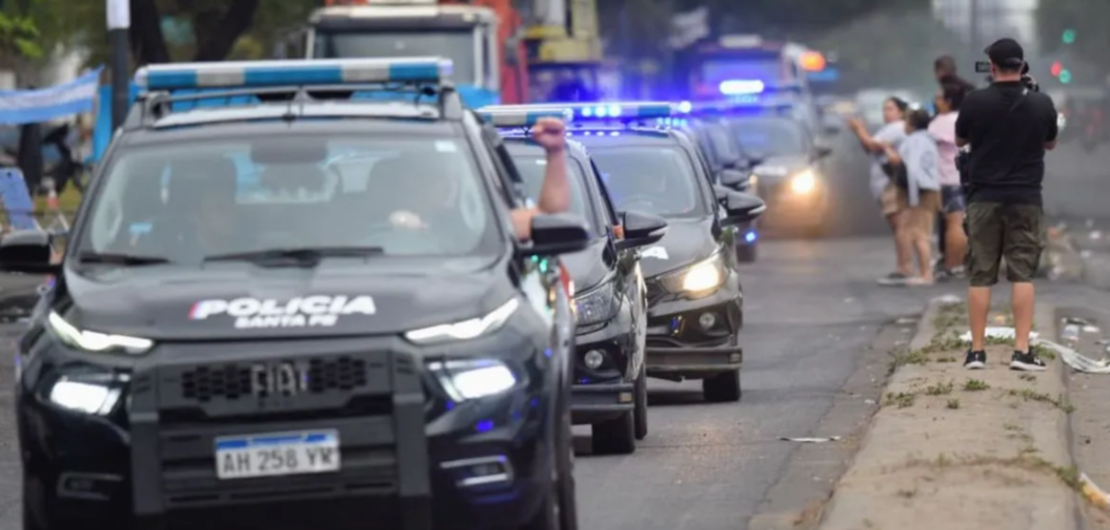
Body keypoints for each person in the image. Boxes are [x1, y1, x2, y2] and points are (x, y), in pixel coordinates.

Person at [955, 38, 1058, 372]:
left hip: (984, 197)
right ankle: (1022, 351)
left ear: (993, 66)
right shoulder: (1041, 102)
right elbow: (1050, 142)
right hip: (1026, 198)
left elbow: (960, 140)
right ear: (1022, 65)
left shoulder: (975, 102)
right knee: (1022, 274)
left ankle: (977, 352)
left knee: (980, 275)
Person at [847, 97, 913, 284]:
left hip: (891, 184)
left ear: (900, 112)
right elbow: (870, 149)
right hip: (883, 184)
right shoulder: (888, 129)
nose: (886, 113)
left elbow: (871, 144)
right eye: (884, 109)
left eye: (890, 109)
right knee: (897, 226)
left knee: (900, 225)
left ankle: (905, 267)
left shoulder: (897, 128)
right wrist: (860, 133)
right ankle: (903, 266)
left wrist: (859, 130)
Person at [881, 109, 941, 285]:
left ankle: (926, 273)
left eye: (906, 122)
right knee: (919, 232)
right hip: (926, 189)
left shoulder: (915, 141)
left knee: (919, 233)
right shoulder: (926, 139)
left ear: (912, 124)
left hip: (919, 192)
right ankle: (924, 271)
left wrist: (913, 198)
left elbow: (912, 169)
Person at [929, 82, 970, 278]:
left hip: (948, 179)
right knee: (961, 222)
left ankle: (951, 265)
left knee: (953, 223)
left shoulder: (941, 122)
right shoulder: (965, 119)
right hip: (965, 177)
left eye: (938, 98)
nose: (935, 102)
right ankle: (959, 264)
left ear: (948, 101)